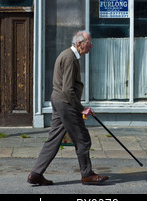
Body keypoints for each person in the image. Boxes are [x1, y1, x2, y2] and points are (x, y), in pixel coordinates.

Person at [27, 30, 109, 186]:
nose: (90, 46)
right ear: (79, 44)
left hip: (59, 101)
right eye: (88, 43)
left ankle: (36, 174)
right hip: (66, 104)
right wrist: (81, 108)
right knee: (83, 139)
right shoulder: (70, 58)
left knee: (53, 140)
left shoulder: (68, 55)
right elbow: (68, 89)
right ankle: (87, 175)